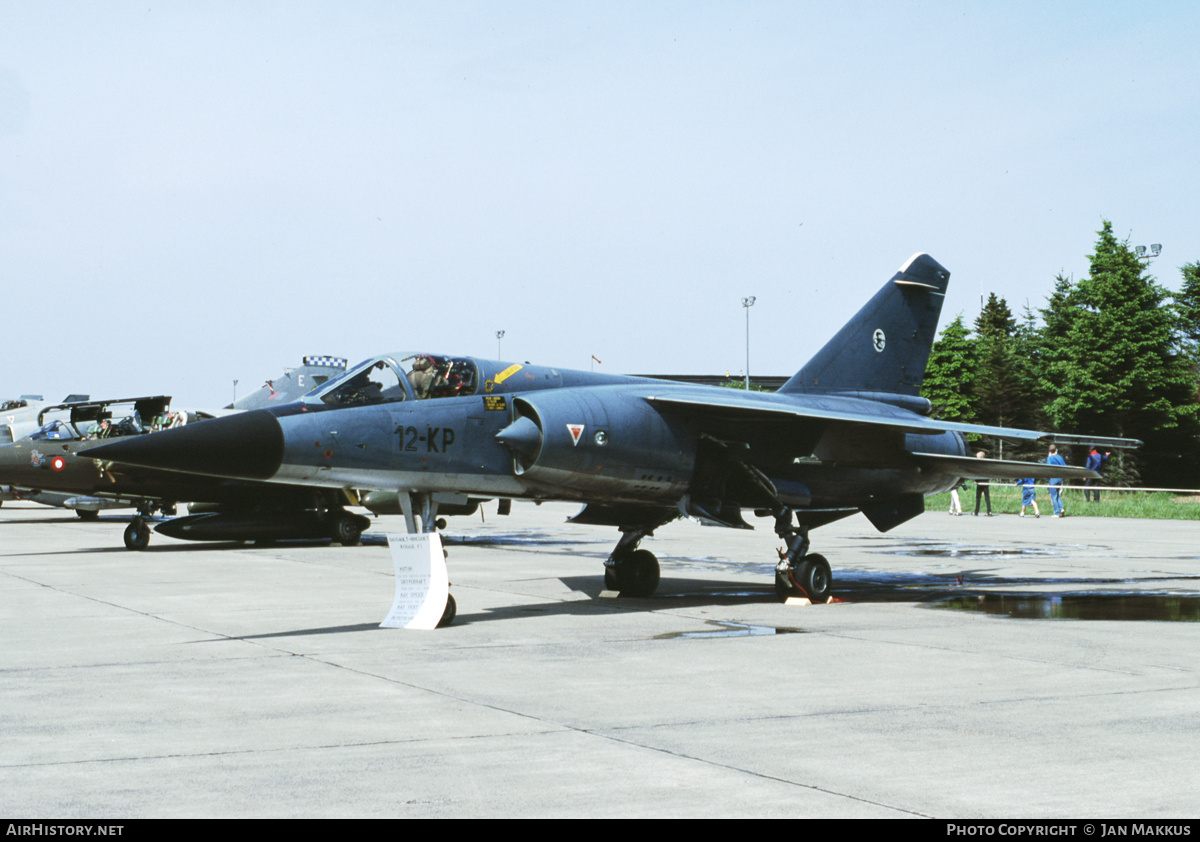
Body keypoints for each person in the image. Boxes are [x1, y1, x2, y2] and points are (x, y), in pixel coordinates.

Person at [1046, 444, 1066, 517]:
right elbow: (1064, 466)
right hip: (1059, 478)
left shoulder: (1049, 458)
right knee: (1057, 495)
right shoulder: (1059, 457)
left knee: (1053, 496)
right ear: (1056, 450)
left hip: (1053, 478)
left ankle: (1056, 512)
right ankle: (1061, 508)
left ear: (1050, 451)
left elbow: (1049, 468)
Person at [973, 451, 992, 516]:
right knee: (987, 497)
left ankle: (976, 512)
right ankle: (989, 511)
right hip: (986, 482)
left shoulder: (979, 465)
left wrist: (976, 480)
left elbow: (978, 473)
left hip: (980, 482)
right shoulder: (987, 464)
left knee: (978, 497)